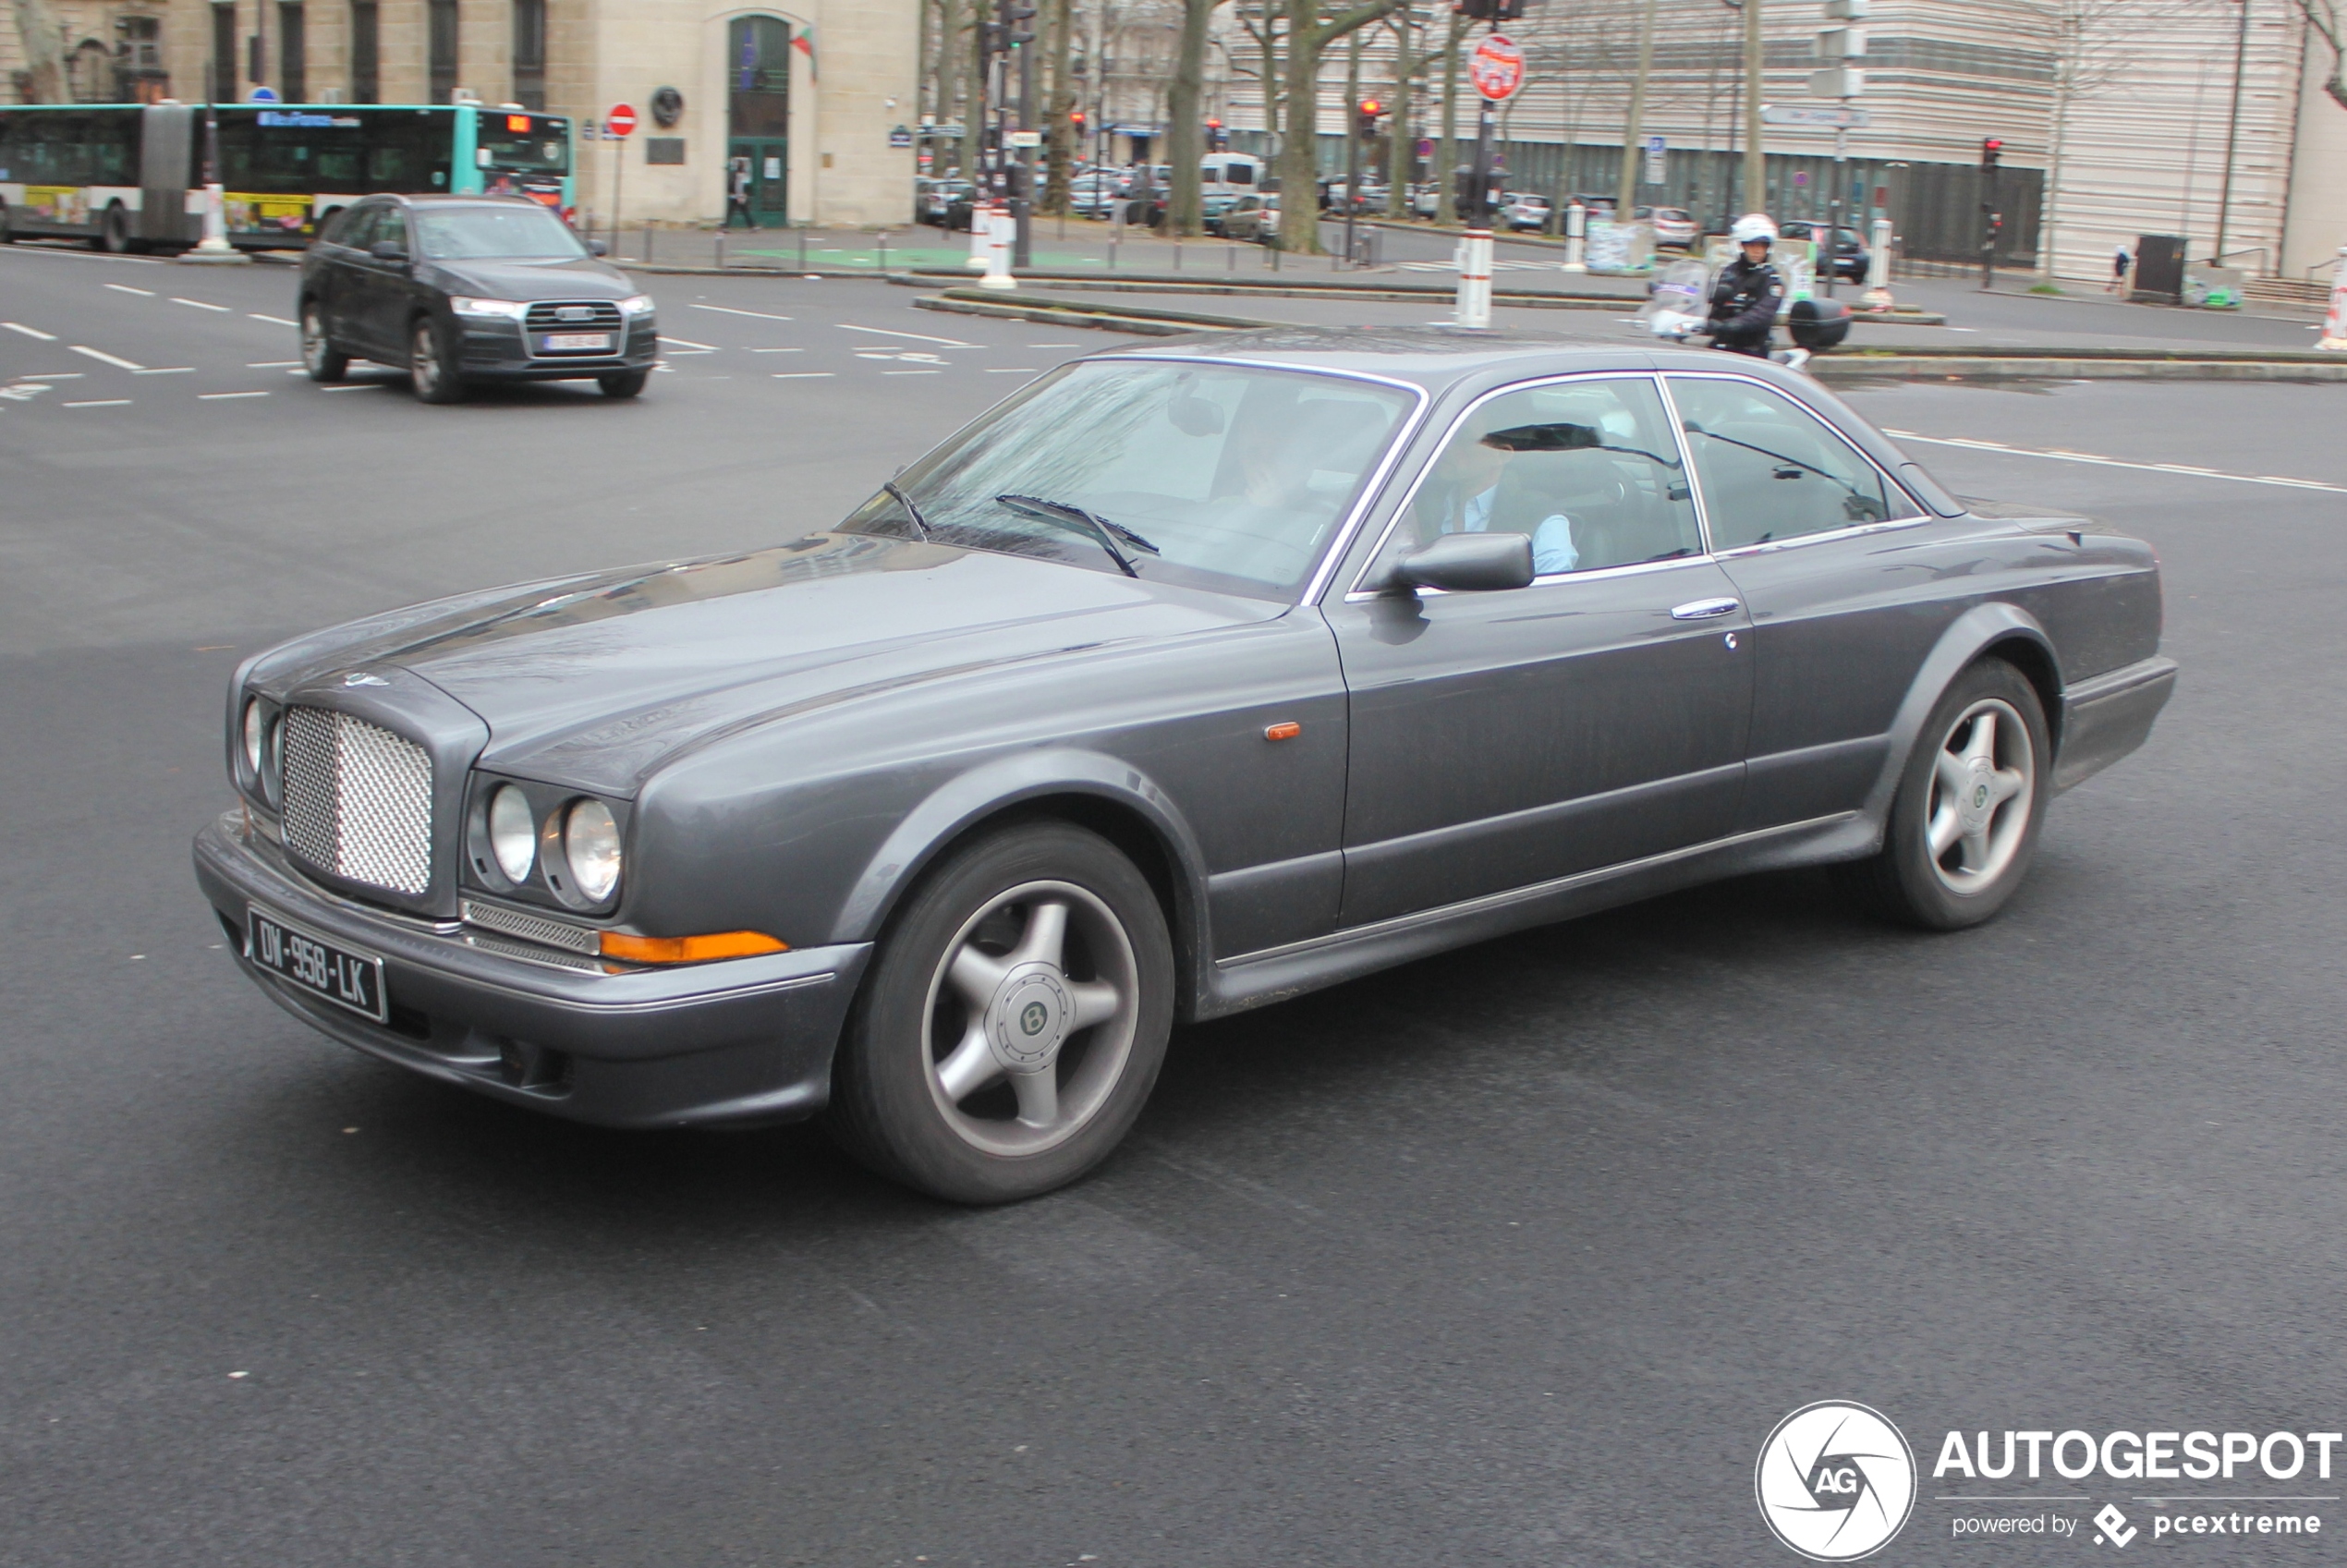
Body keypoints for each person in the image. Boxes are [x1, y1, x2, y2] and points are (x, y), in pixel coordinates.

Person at [1412, 417, 1579, 576]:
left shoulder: (1539, 517)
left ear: (1502, 454)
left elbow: (1550, 596)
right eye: (1445, 437)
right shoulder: (1414, 502)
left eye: (1462, 440)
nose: (1446, 447)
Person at [1707, 213, 1788, 359]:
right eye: (1752, 245)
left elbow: (1764, 312)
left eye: (1762, 246)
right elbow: (1709, 297)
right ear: (1741, 246)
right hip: (1722, 344)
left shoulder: (1771, 279)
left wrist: (1734, 324)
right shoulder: (1728, 272)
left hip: (1752, 349)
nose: (1757, 250)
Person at [724, 158, 756, 231]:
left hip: (735, 196)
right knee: (744, 211)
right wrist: (740, 196)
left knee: (733, 212)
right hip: (737, 196)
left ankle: (725, 227)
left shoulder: (735, 175)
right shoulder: (740, 176)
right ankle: (752, 227)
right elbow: (738, 187)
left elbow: (735, 186)